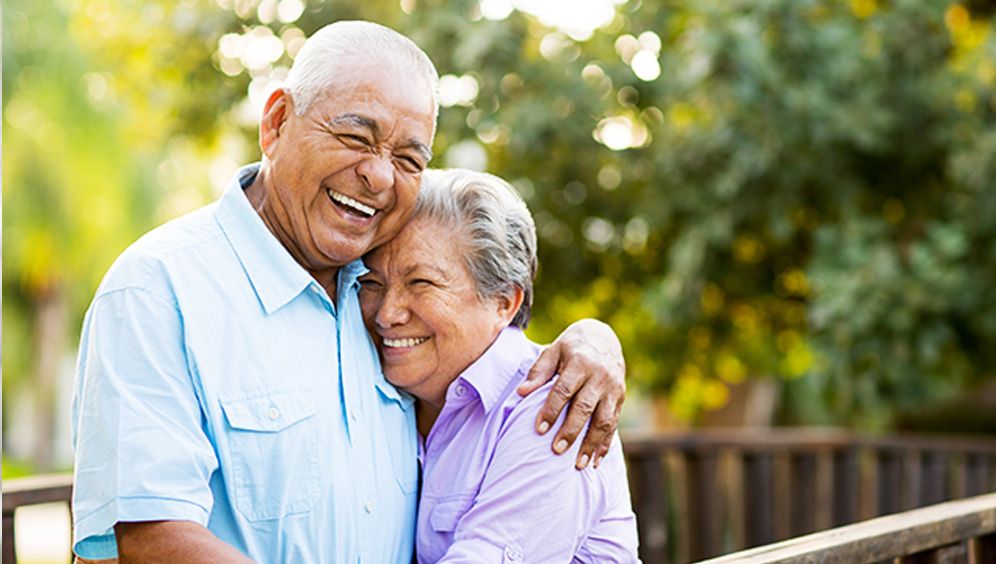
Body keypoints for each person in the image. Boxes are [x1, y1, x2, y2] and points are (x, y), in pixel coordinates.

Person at [70, 21, 626, 563]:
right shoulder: (158, 288)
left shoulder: (375, 293)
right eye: (355, 136)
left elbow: (486, 335)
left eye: (408, 159)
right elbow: (149, 539)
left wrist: (594, 340)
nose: (380, 177)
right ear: (277, 122)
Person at [359, 168, 639, 563]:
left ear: (504, 302)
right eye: (372, 284)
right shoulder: (383, 393)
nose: (386, 314)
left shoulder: (556, 403)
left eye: (421, 283)